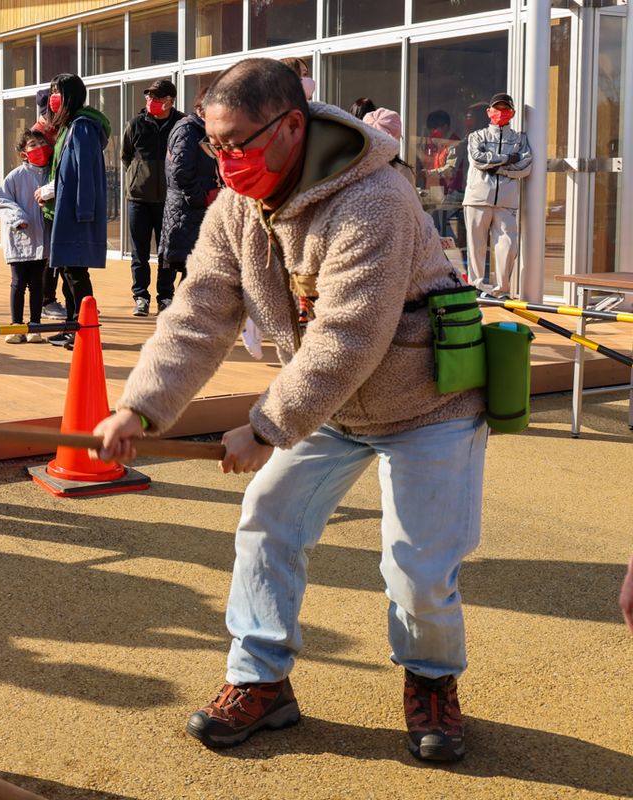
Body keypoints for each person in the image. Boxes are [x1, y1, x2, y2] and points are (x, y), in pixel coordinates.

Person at [94, 58, 487, 764]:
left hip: (427, 403)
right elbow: (197, 316)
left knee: (419, 566)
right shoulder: (237, 210)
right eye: (214, 143)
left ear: (291, 126)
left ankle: (431, 680)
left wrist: (267, 426)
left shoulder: (376, 201)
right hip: (330, 412)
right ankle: (261, 679)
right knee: (267, 519)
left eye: (237, 142)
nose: (225, 159)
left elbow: (349, 338)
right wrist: (140, 408)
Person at [39, 73, 111, 350]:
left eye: (57, 92)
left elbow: (85, 174)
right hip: (65, 210)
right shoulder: (69, 127)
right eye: (51, 92)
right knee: (69, 270)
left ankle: (84, 329)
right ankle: (72, 328)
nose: (53, 98)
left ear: (70, 96)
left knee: (75, 272)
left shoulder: (82, 127)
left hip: (77, 213)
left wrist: (83, 212)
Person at [121, 78, 185, 316]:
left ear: (170, 102)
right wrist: (138, 177)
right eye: (148, 97)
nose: (151, 101)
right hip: (138, 199)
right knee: (139, 252)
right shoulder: (136, 123)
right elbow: (126, 156)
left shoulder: (181, 123)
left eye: (156, 98)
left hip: (170, 200)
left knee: (166, 252)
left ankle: (165, 296)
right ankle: (141, 296)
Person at [463, 93, 533, 299]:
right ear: (489, 112)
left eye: (505, 109)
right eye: (497, 108)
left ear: (512, 112)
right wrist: (507, 159)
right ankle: (476, 286)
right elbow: (478, 159)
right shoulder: (477, 136)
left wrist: (500, 169)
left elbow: (525, 165)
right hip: (477, 197)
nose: (501, 113)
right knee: (476, 244)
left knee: (508, 244)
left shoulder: (520, 139)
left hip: (507, 200)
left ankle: (502, 289)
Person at [158, 86, 218, 314]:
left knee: (194, 267)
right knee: (191, 267)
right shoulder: (187, 130)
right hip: (187, 209)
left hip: (196, 210)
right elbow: (180, 171)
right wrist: (200, 196)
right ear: (201, 108)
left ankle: (186, 314)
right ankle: (181, 315)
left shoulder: (202, 130)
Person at [0, 129, 52, 345]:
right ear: (24, 154)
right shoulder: (16, 176)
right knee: (18, 283)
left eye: (41, 143)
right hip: (19, 238)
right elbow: (1, 199)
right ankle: (17, 326)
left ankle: (34, 327)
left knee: (37, 284)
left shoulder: (51, 174)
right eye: (32, 145)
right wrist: (18, 218)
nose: (38, 148)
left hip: (41, 240)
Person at [32, 87, 67, 321]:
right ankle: (47, 300)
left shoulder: (59, 130)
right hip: (43, 202)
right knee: (48, 254)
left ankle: (62, 300)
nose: (53, 118)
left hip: (56, 200)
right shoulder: (37, 135)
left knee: (58, 253)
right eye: (49, 113)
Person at [418, 110, 465, 238]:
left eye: (435, 128)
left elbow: (450, 169)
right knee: (433, 225)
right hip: (440, 191)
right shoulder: (440, 143)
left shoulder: (454, 143)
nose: (433, 132)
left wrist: (429, 173)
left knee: (444, 230)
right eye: (431, 129)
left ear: (445, 126)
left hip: (452, 193)